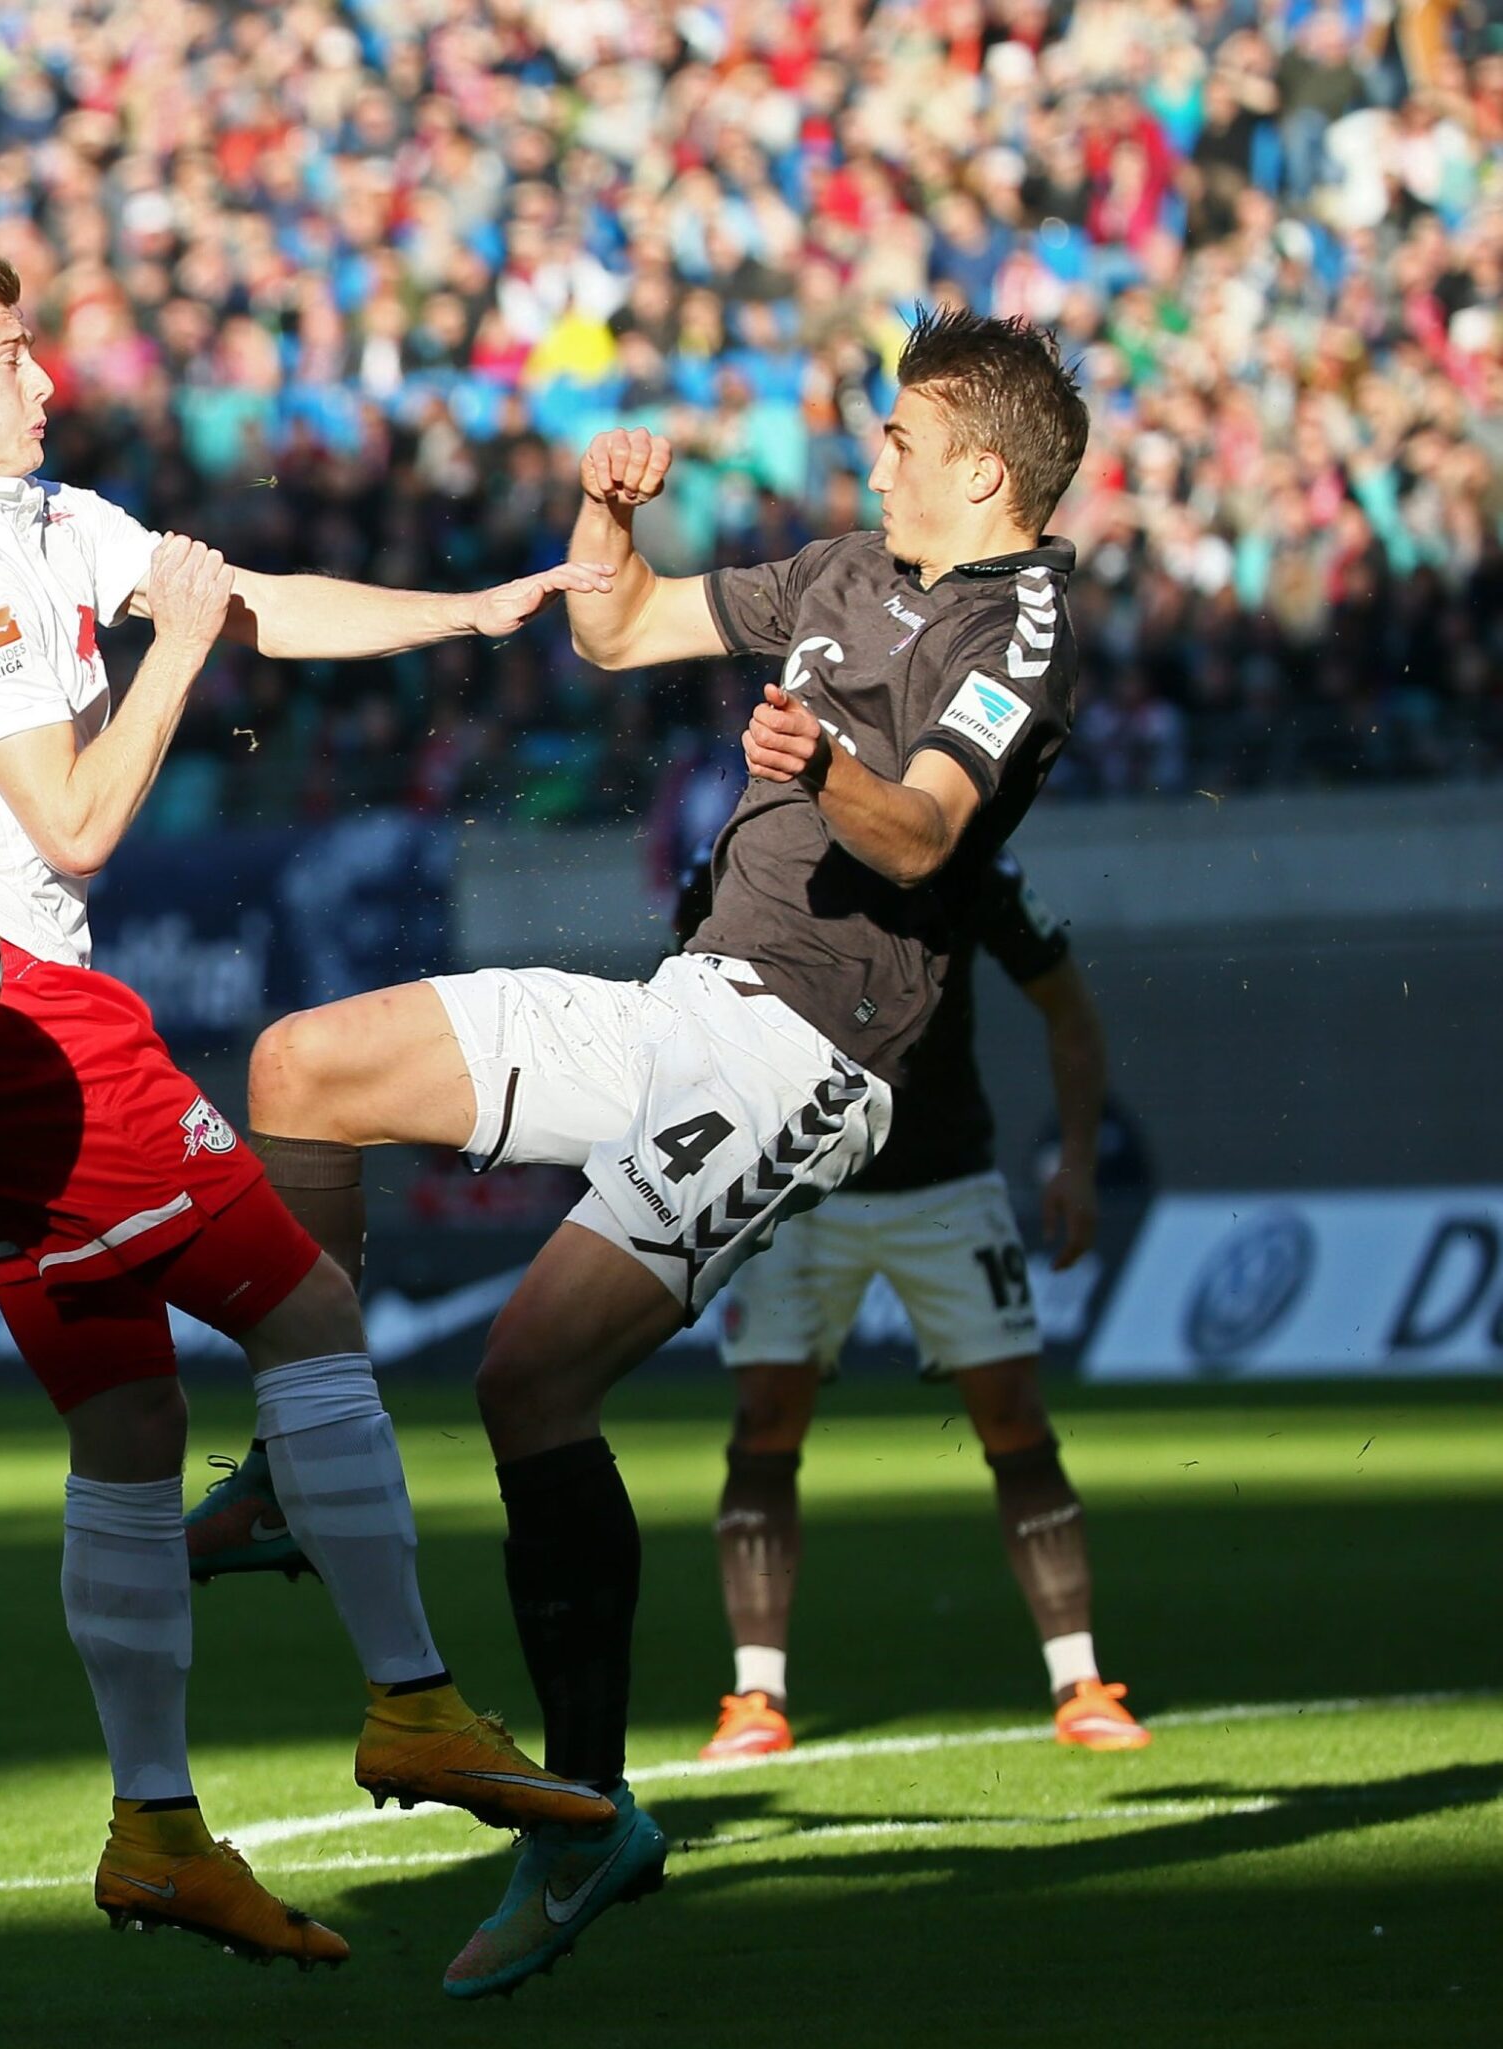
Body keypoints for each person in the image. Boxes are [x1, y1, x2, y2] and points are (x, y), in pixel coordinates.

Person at [215, 307, 1091, 1997]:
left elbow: (922, 824)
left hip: (804, 1058)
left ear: (984, 468)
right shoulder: (843, 564)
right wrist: (604, 511)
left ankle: (588, 1813)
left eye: (901, 439)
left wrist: (827, 757)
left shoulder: (1026, 617)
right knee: (301, 1064)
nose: (874, 456)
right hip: (686, 997)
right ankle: (301, 1466)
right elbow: (616, 633)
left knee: (528, 1379)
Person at [0, 254, 618, 1972]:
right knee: (310, 1302)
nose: (44, 375)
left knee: (125, 1421)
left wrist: (465, 610)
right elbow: (82, 826)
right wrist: (177, 649)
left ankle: (156, 1826)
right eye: (6, 354)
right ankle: (413, 1699)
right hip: (10, 1031)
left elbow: (259, 599)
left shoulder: (45, 518)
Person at [675, 840, 1152, 1761]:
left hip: (946, 1184)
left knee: (1013, 1415)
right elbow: (685, 1015)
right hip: (794, 1183)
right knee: (767, 1420)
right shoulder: (743, 849)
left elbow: (1069, 1010)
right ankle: (756, 1694)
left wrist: (1081, 1165)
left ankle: (1081, 1678)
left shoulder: (966, 851)